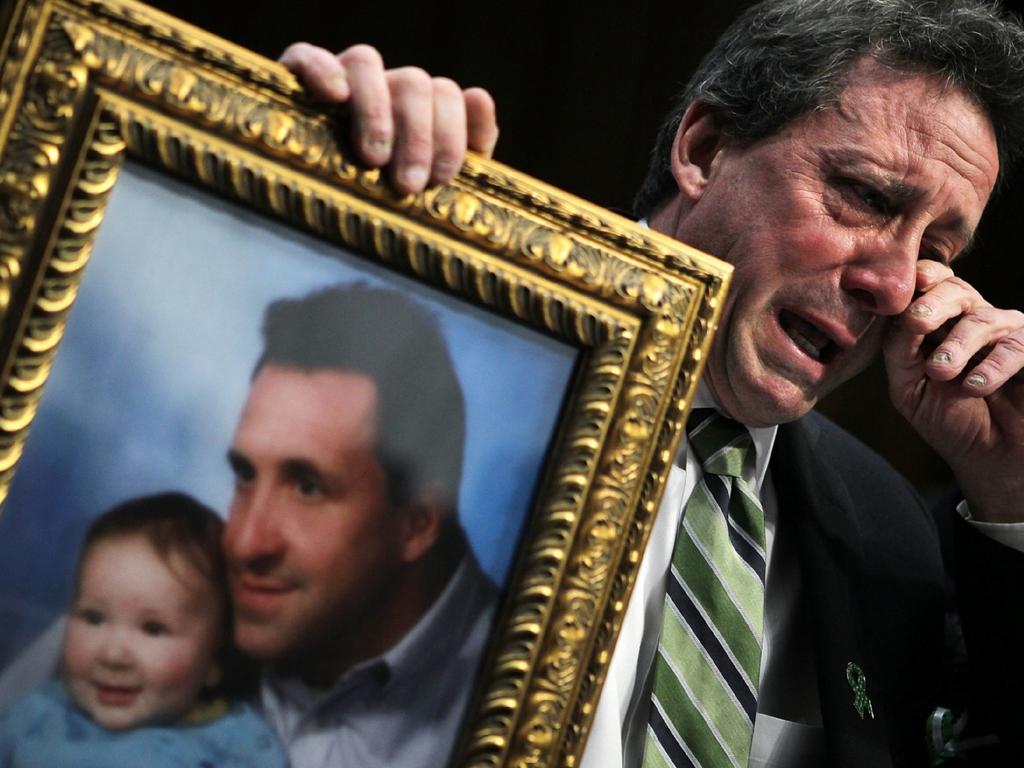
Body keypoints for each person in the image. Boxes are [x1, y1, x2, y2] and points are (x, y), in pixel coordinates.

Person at [279, 0, 1024, 766]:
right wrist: (309, 173)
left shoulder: (888, 534)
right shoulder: (437, 361)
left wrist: (1013, 492)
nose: (897, 286)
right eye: (866, 196)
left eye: (937, 247)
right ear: (702, 149)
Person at [222, 283, 498, 767]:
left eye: (307, 487)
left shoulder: (541, 687)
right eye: (246, 475)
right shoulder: (152, 618)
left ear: (416, 524)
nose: (244, 542)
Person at [0, 492, 286, 767]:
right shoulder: (35, 718)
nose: (112, 654)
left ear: (214, 660)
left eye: (152, 629)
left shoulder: (235, 751)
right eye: (94, 618)